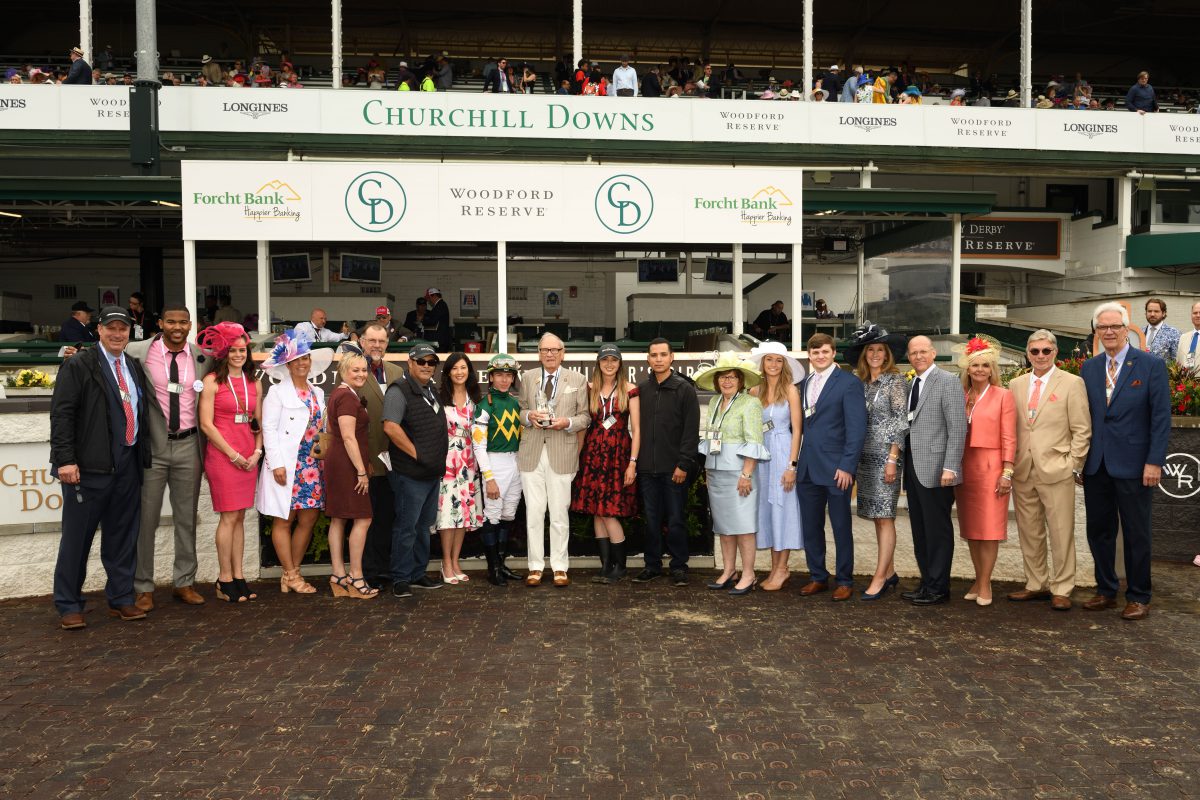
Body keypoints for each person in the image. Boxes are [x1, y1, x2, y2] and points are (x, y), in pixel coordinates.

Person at [50, 306, 151, 629]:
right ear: (99, 331)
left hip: (127, 463)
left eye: (123, 328)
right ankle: (68, 604)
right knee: (77, 540)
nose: (118, 334)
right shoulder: (79, 364)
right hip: (89, 468)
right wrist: (65, 460)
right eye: (112, 328)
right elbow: (62, 415)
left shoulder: (133, 366)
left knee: (122, 536)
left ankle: (121, 599)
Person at [1080, 302, 1171, 621]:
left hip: (1135, 465)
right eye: (1102, 327)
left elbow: (1161, 418)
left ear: (1126, 329)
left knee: (1136, 533)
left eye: (1114, 326)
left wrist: (1154, 461)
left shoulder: (1150, 364)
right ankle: (1105, 590)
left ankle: (1138, 596)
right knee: (1099, 531)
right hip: (1096, 465)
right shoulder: (1089, 368)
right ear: (1096, 331)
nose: (1108, 332)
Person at [125, 304, 211, 611]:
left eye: (183, 322)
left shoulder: (203, 358)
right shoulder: (137, 351)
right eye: (171, 321)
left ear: (191, 325)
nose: (177, 326)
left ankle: (184, 582)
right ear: (160, 322)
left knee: (186, 518)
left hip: (189, 446)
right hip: (153, 447)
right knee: (146, 519)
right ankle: (143, 587)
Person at [1007, 330, 1091, 611]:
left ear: (1055, 352)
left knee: (1061, 531)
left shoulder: (1072, 383)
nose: (1040, 356)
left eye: (1046, 351)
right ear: (1027, 353)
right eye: (1035, 351)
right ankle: (1036, 583)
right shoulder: (1016, 384)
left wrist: (1072, 465)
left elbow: (1082, 430)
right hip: (1023, 469)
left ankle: (1063, 587)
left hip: (1057, 469)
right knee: (1029, 531)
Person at [257, 329, 332, 595]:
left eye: (306, 359)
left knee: (309, 518)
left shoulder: (318, 392)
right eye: (297, 360)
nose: (302, 363)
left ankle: (293, 571)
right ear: (287, 364)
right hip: (288, 464)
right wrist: (276, 463)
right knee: (284, 520)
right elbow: (268, 428)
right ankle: (290, 574)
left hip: (312, 465)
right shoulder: (277, 394)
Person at [795, 334, 866, 601]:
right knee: (811, 527)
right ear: (809, 355)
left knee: (840, 527)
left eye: (825, 351)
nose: (820, 356)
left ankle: (845, 580)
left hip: (837, 470)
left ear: (833, 352)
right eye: (815, 353)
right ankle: (818, 576)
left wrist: (847, 466)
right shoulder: (804, 384)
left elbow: (857, 429)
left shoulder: (849, 383)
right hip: (808, 469)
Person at [517, 333, 591, 587]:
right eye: (544, 350)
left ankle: (560, 566)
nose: (549, 354)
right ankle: (535, 567)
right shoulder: (527, 378)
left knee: (559, 513)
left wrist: (567, 422)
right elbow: (520, 410)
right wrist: (530, 417)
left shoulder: (578, 380)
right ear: (538, 353)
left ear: (563, 353)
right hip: (531, 453)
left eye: (554, 350)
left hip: (562, 452)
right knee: (534, 513)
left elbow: (585, 417)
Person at [694, 353, 770, 596]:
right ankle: (729, 571)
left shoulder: (750, 403)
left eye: (732, 377)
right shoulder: (716, 402)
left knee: (744, 526)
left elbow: (754, 440)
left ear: (740, 380)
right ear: (717, 381)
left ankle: (749, 574)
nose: (727, 381)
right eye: (723, 378)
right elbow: (710, 437)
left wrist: (746, 474)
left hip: (739, 472)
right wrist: (708, 467)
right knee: (724, 526)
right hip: (717, 471)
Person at [197, 321, 262, 603]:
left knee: (240, 516)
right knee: (228, 516)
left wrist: (257, 452)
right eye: (234, 350)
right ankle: (224, 579)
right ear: (224, 352)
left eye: (243, 350)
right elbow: (206, 425)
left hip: (249, 456)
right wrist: (233, 455)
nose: (239, 355)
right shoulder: (212, 381)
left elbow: (259, 424)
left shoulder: (254, 382)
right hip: (224, 457)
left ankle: (239, 575)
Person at [901, 335, 968, 606]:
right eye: (913, 352)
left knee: (937, 531)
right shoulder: (910, 384)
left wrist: (951, 467)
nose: (918, 356)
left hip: (939, 470)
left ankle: (939, 588)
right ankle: (927, 582)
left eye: (923, 351)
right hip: (914, 468)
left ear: (933, 353)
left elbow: (957, 428)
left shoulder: (948, 381)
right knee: (920, 529)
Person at [845, 322, 909, 600]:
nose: (874, 354)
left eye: (879, 350)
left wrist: (893, 459)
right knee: (876, 517)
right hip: (864, 457)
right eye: (870, 349)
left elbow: (900, 422)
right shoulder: (859, 383)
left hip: (886, 456)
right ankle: (890, 571)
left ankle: (880, 577)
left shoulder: (895, 381)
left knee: (885, 518)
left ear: (887, 354)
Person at [953, 335, 1016, 607]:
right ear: (967, 368)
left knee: (989, 529)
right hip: (965, 466)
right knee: (971, 528)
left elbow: (1009, 437)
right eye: (975, 365)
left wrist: (1007, 472)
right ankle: (979, 580)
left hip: (991, 467)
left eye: (985, 366)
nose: (979, 370)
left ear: (993, 370)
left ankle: (986, 583)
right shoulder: (961, 395)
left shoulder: (1004, 396)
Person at [383, 343, 449, 597]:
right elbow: (390, 426)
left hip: (431, 473)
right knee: (407, 527)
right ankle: (400, 578)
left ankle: (417, 573)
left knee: (424, 526)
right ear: (409, 363)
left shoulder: (431, 388)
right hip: (410, 474)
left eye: (431, 363)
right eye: (421, 362)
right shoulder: (399, 390)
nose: (426, 366)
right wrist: (417, 454)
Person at [571, 344, 641, 585]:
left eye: (614, 360)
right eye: (604, 360)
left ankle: (620, 567)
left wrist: (632, 463)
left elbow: (637, 429)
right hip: (593, 454)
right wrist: (577, 459)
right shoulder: (589, 389)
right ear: (598, 363)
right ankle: (606, 565)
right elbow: (581, 425)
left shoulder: (630, 390)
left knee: (609, 511)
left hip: (618, 456)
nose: (609, 364)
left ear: (620, 363)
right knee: (596, 512)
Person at [634, 338, 701, 586]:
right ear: (648, 359)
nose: (659, 359)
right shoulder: (642, 389)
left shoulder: (684, 389)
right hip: (647, 469)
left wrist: (684, 464)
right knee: (651, 520)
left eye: (663, 354)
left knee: (675, 520)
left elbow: (691, 431)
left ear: (672, 357)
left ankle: (678, 567)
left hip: (675, 469)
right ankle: (652, 566)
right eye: (654, 355)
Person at [748, 342, 803, 592]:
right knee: (768, 512)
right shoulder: (754, 392)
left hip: (782, 454)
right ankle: (775, 568)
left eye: (778, 360)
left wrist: (792, 465)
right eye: (769, 359)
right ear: (762, 363)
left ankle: (782, 568)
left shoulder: (791, 391)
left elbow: (797, 430)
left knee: (784, 509)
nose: (773, 364)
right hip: (761, 457)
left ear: (784, 365)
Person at [355, 324, 405, 587]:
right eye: (371, 341)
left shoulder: (397, 372)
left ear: (387, 344)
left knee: (388, 516)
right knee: (367, 519)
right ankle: (368, 571)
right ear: (362, 342)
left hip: (395, 461)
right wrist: (362, 462)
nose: (376, 346)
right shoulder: (356, 372)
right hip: (366, 461)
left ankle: (385, 568)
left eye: (381, 341)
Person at [324, 353, 378, 600]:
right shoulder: (346, 396)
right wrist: (361, 470)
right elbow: (348, 436)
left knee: (338, 519)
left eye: (364, 370)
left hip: (339, 462)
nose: (361, 374)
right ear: (343, 371)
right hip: (346, 465)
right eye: (355, 370)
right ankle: (355, 577)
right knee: (363, 518)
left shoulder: (340, 394)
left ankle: (338, 576)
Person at [473, 354, 525, 586]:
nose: (504, 380)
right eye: (499, 375)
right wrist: (489, 478)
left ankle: (501, 565)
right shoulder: (484, 406)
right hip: (494, 464)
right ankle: (493, 568)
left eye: (508, 375)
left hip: (516, 464)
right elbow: (478, 446)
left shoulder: (515, 403)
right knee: (492, 516)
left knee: (508, 515)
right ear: (491, 377)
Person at [436, 352, 485, 585]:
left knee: (463, 513)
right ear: (447, 372)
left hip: (469, 461)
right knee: (447, 514)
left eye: (463, 367)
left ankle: (456, 561)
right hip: (447, 461)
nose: (459, 372)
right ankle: (445, 563)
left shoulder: (476, 397)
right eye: (454, 368)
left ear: (469, 371)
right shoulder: (438, 397)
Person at [1175, 300, 1200, 370]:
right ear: (1191, 315)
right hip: (1184, 380)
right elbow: (1178, 362)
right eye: (1195, 313)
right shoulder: (1183, 337)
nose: (1198, 315)